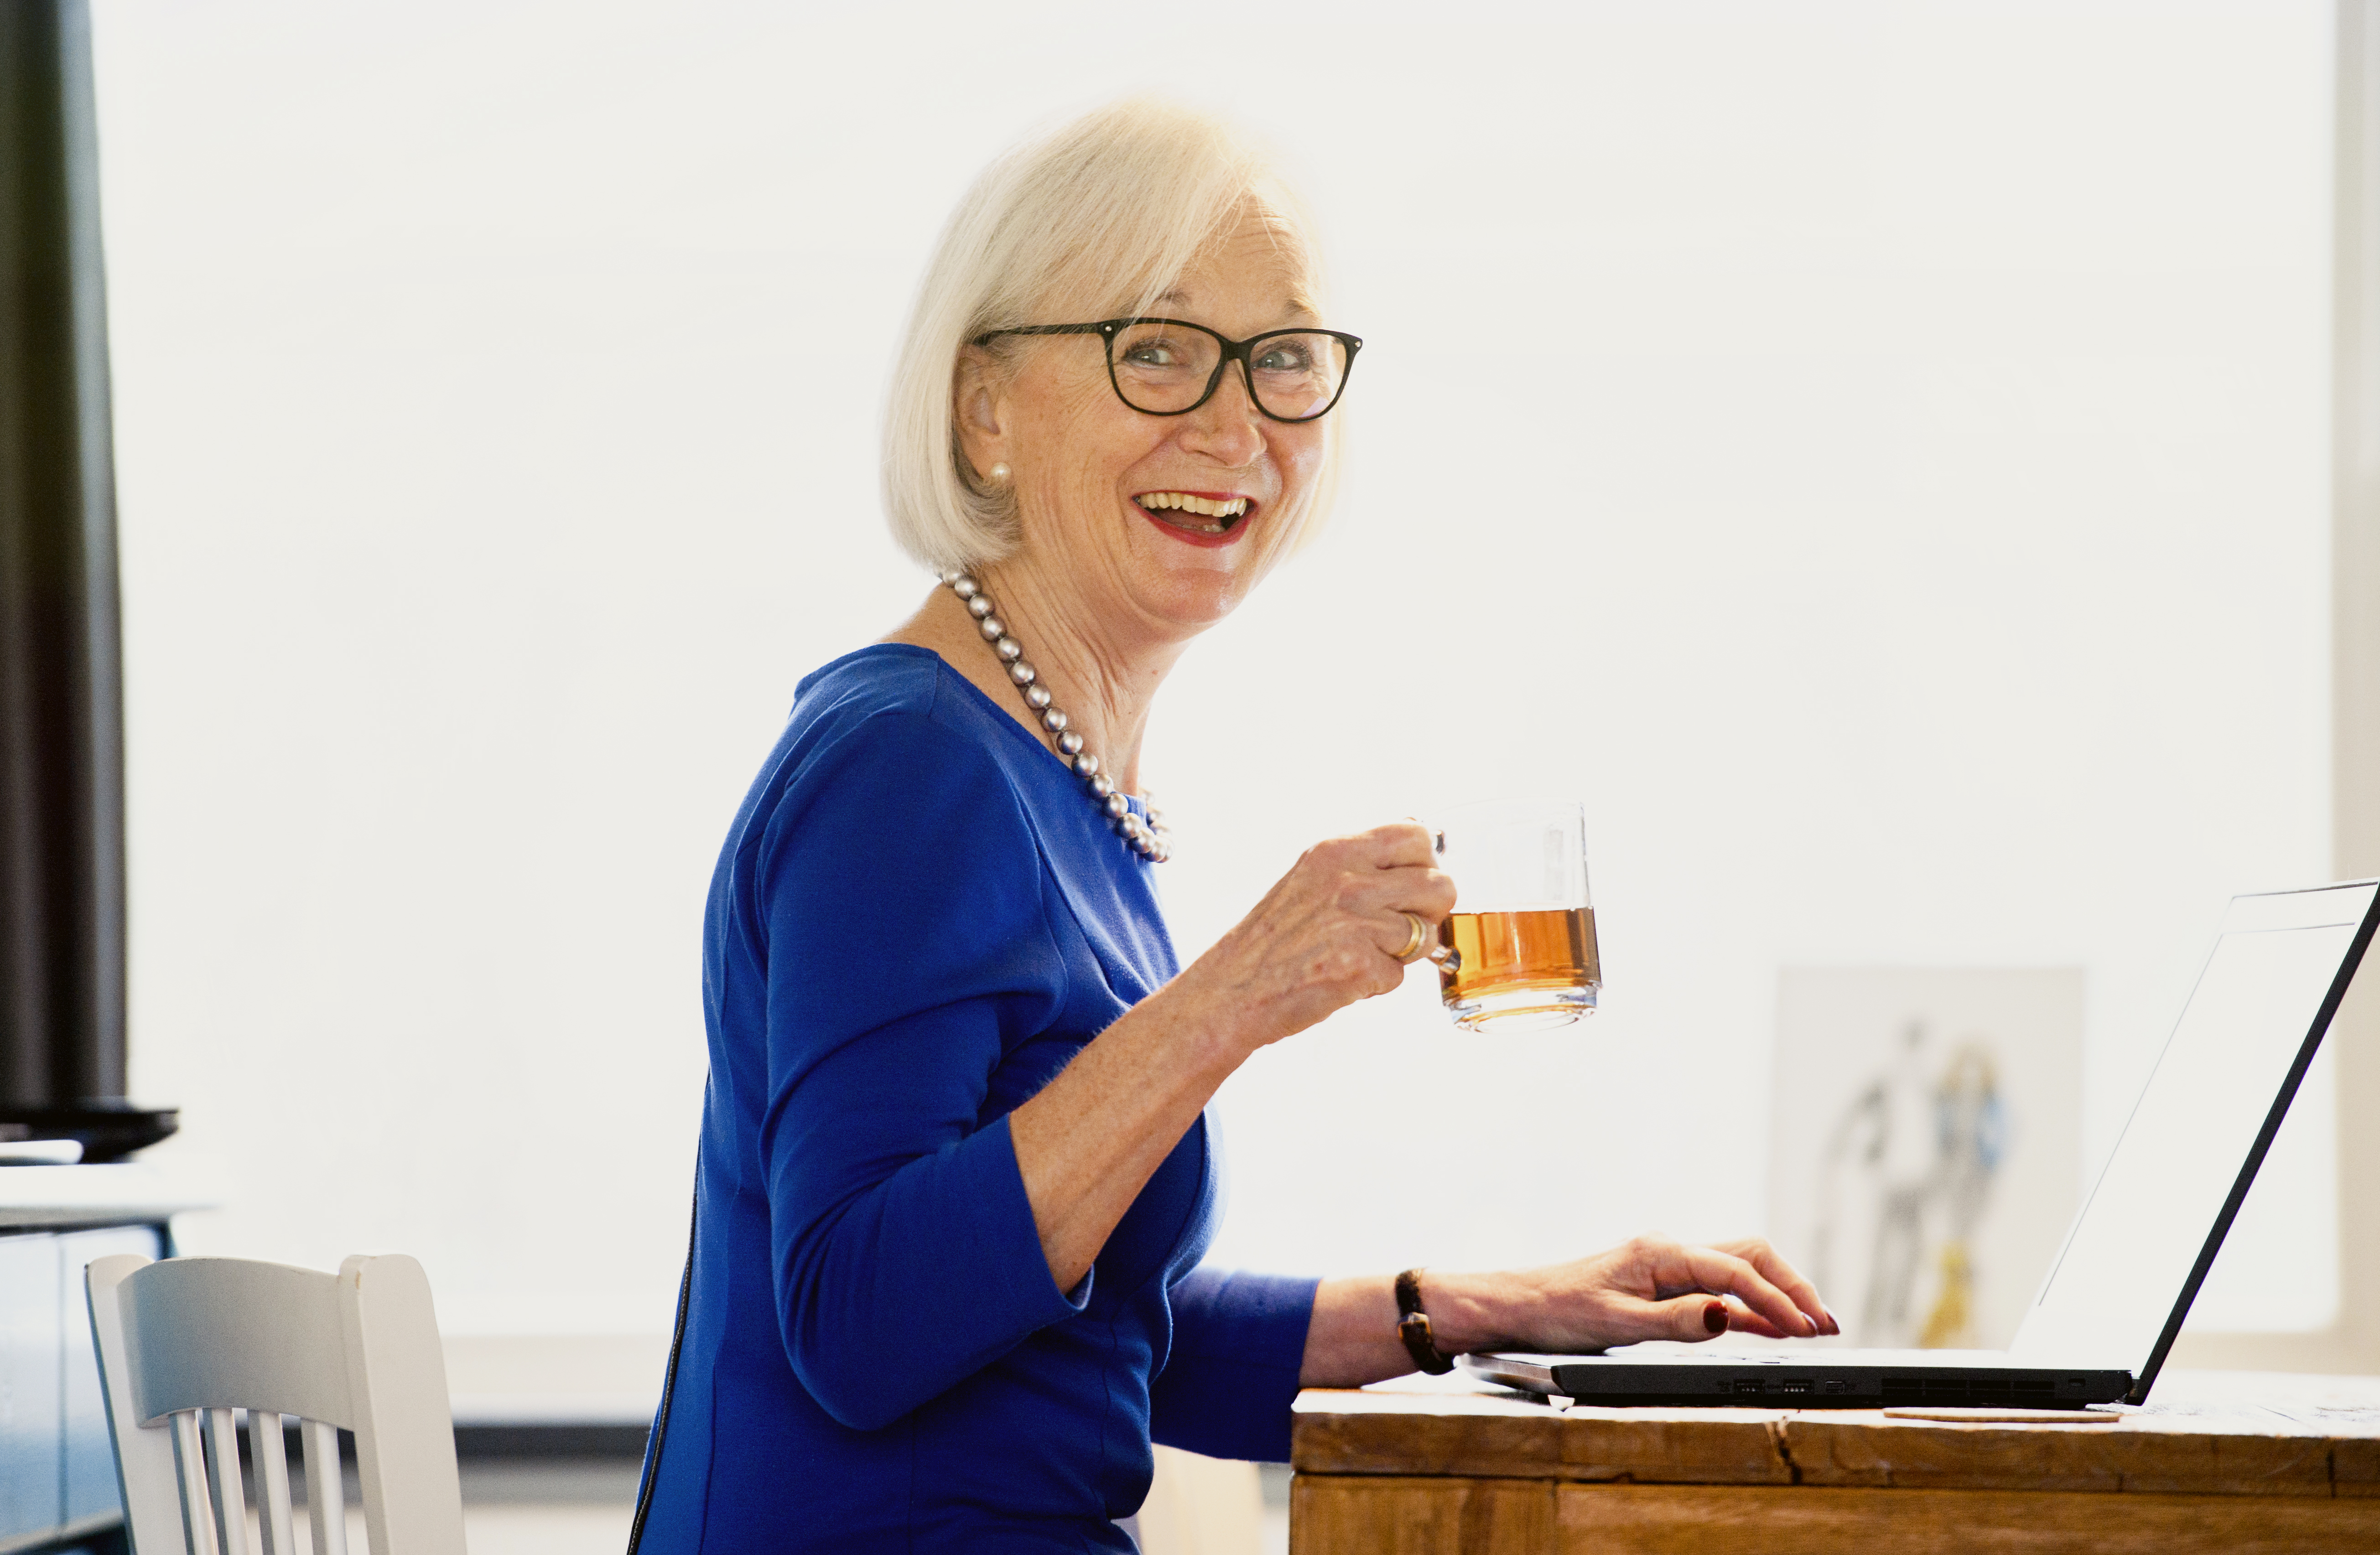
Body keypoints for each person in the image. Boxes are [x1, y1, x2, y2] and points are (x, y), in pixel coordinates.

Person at [631, 98, 1834, 1554]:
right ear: (984, 409)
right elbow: (862, 1320)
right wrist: (1234, 997)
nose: (1234, 425)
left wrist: (1489, 1308)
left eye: (1282, 360)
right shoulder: (908, 766)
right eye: (1155, 348)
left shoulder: (1053, 780)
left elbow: (1092, 1330)